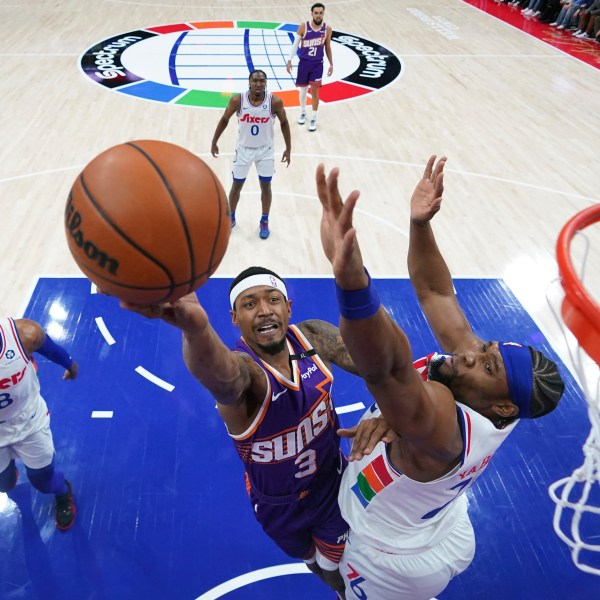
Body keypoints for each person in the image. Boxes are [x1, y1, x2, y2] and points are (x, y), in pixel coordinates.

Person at [315, 156, 565, 600]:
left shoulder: (442, 427)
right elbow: (435, 291)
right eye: (486, 349)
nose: (471, 355)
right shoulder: (490, 392)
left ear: (504, 407)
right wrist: (419, 226)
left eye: (488, 366)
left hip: (391, 560)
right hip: (446, 526)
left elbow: (387, 369)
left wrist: (353, 284)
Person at [118, 268, 363, 598]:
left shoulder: (315, 338)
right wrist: (196, 328)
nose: (264, 310)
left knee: (337, 566)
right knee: (312, 561)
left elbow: (380, 365)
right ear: (234, 318)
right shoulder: (245, 372)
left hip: (333, 486)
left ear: (288, 307)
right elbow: (219, 374)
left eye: (273, 299)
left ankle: (345, 594)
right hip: (277, 505)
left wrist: (391, 411)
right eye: (250, 304)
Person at [0, 317, 78, 531]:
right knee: (4, 484)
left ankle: (64, 492)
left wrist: (70, 366)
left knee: (43, 483)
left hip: (29, 424)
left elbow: (54, 351)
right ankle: (8, 474)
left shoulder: (25, 334)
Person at [211, 70, 291, 240]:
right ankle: (231, 216)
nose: (258, 84)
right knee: (236, 186)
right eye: (255, 81)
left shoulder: (274, 102)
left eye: (262, 81)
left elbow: (284, 122)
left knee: (266, 187)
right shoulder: (237, 100)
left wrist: (288, 148)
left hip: (265, 151)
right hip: (243, 150)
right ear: (249, 82)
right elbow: (224, 119)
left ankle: (264, 220)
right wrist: (214, 141)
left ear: (266, 83)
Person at [286, 3, 333, 132]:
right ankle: (302, 112)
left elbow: (328, 47)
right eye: (316, 13)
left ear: (323, 14)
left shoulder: (327, 29)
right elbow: (295, 45)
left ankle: (313, 118)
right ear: (311, 13)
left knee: (315, 91)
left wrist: (331, 64)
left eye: (320, 13)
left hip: (317, 65)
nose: (318, 15)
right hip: (304, 64)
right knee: (303, 91)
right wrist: (289, 60)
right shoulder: (303, 27)